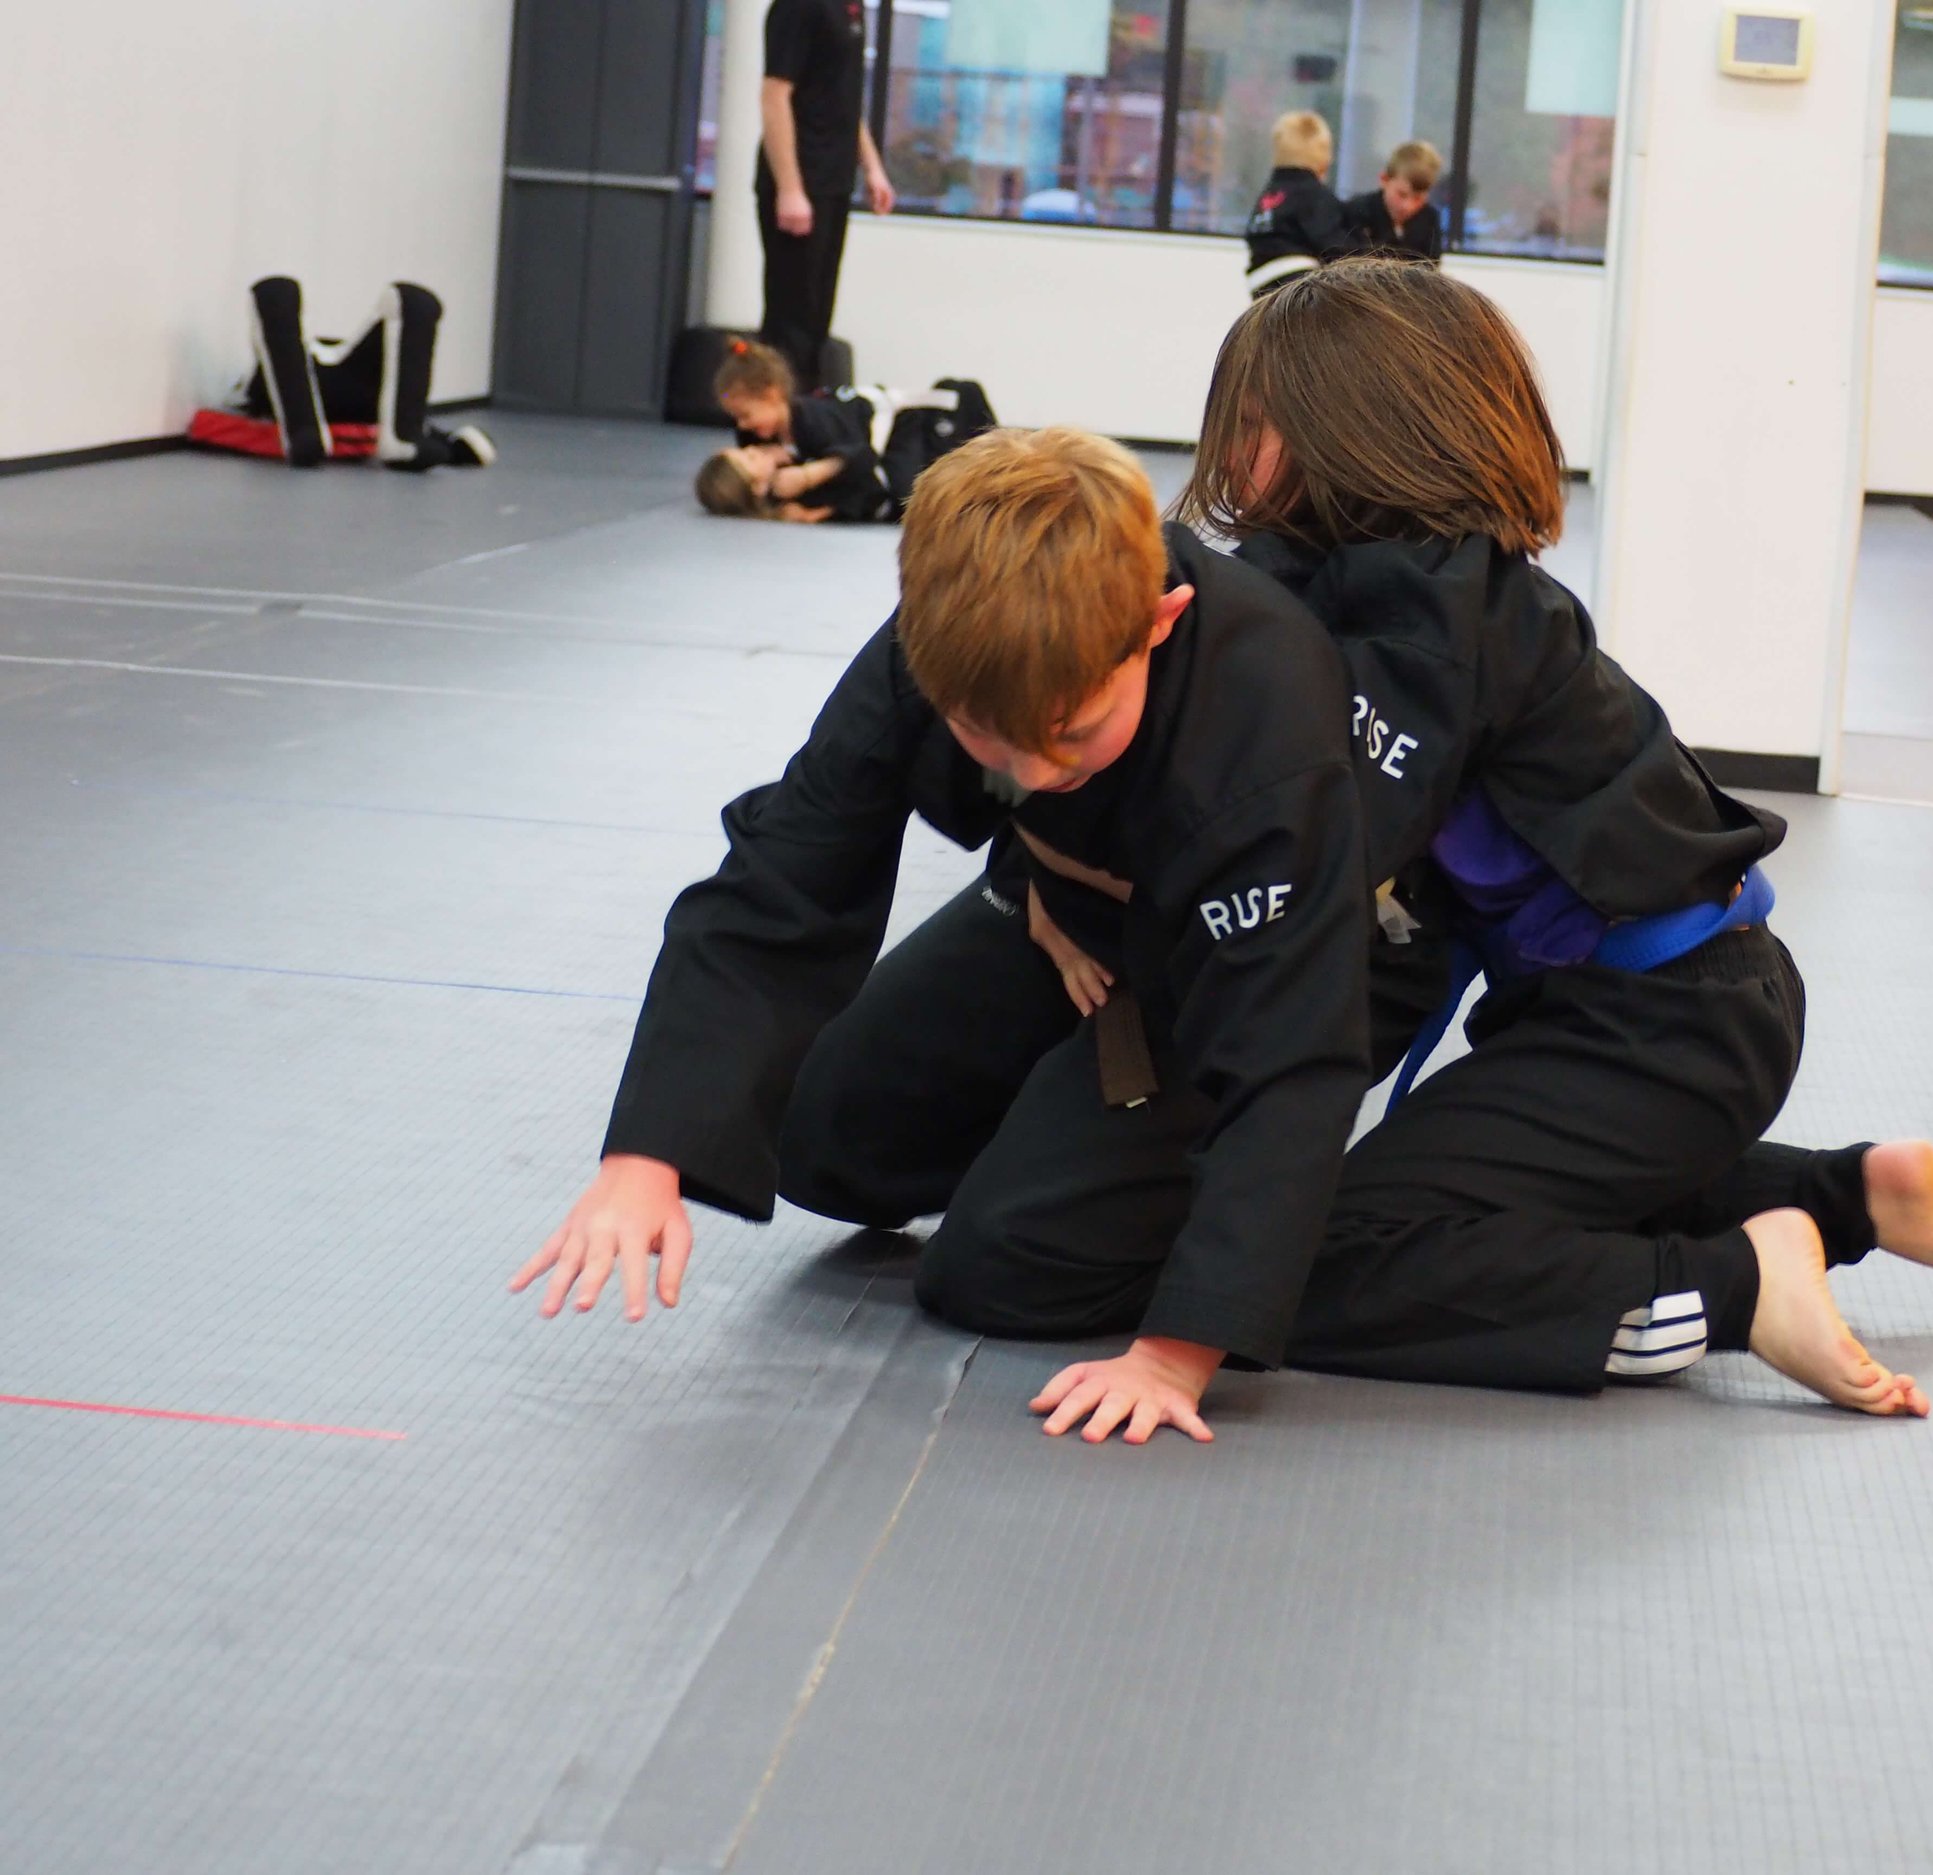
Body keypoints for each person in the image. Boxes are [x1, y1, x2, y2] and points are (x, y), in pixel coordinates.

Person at [1159, 258, 1933, 1411]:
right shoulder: (1438, 588)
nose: (1230, 458)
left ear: (1354, 438)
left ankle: (1738, 1290)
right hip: (1657, 1008)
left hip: (1665, 1027)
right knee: (1495, 1192)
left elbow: (1335, 839)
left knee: (1317, 1262)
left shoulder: (1431, 624)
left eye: (1255, 428)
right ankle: (1858, 1195)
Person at [515, 427, 1380, 1449]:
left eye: (1074, 732)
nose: (1038, 773)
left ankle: (1212, 1217)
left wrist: (1177, 1350)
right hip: (1063, 907)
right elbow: (781, 881)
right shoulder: (944, 647)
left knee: (999, 1267)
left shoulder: (1268, 718)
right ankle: (1071, 1142)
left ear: (1158, 623)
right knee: (820, 1139)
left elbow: (1291, 1052)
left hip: (1240, 962)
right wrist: (646, 1155)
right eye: (992, 741)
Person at [757, 0, 895, 391]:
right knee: (791, 319)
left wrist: (872, 166)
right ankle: (772, 420)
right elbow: (774, 96)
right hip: (801, 182)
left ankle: (805, 414)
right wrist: (790, 188)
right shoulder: (798, 6)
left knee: (817, 319)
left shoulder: (851, 8)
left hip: (835, 180)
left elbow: (842, 97)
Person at [711, 340, 884, 519]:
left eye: (745, 415)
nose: (741, 425)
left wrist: (807, 476)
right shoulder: (752, 436)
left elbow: (863, 456)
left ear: (772, 396)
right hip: (851, 453)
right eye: (736, 418)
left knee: (894, 489)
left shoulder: (814, 421)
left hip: (882, 421)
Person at [1244, 111, 1351, 300]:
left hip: (1259, 285)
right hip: (1298, 285)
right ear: (1324, 158)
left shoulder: (1269, 196)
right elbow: (1334, 246)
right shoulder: (1314, 195)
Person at [1343, 141, 1445, 263]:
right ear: (1384, 180)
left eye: (1418, 198)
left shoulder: (1429, 219)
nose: (1407, 206)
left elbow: (1432, 264)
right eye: (1402, 194)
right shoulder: (1358, 211)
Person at [692, 446, 832, 522]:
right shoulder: (798, 503)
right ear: (758, 487)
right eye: (751, 458)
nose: (753, 448)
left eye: (743, 450)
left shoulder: (786, 461)